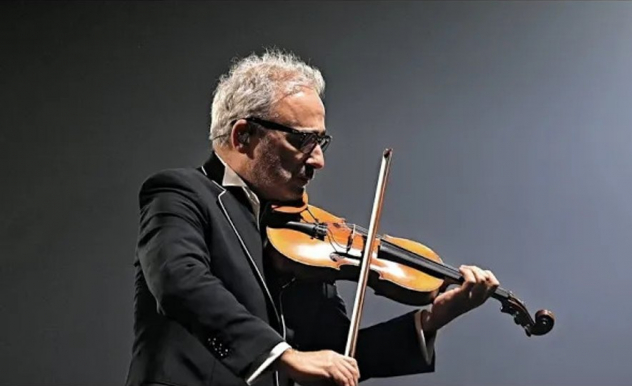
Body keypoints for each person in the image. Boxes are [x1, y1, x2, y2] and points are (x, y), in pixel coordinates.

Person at [124, 49, 500, 386]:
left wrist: (432, 319)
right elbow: (179, 281)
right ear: (243, 136)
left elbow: (335, 353)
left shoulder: (302, 233)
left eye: (321, 142)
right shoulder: (180, 193)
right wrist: (282, 355)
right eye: (302, 141)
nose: (318, 160)